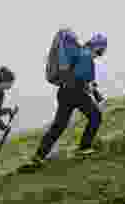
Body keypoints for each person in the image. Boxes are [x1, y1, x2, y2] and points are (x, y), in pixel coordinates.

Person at [25, 33, 108, 169]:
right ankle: (84, 147)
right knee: (96, 116)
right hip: (75, 93)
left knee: (59, 126)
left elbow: (78, 77)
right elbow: (81, 79)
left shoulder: (79, 52)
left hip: (64, 92)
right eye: (101, 50)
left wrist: (92, 91)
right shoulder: (86, 56)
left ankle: (39, 156)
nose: (100, 54)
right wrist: (94, 93)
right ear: (98, 47)